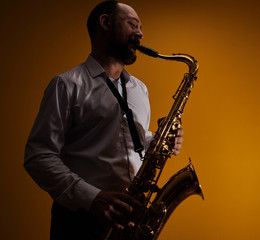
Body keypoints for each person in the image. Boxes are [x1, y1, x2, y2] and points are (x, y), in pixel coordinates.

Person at [24, 1, 184, 239]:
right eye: (133, 25)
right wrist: (91, 197)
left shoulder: (139, 89)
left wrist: (159, 142)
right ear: (105, 23)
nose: (140, 33)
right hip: (79, 222)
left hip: (130, 218)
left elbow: (130, 145)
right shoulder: (67, 85)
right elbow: (38, 156)